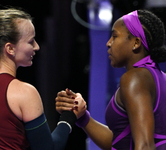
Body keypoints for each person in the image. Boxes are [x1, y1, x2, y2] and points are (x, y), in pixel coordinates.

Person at [0, 8, 87, 149]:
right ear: (10, 48)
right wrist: (69, 116)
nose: (37, 47)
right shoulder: (25, 92)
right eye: (31, 41)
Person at [56, 9, 166, 150]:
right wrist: (83, 118)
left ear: (136, 42)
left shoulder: (134, 79)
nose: (108, 43)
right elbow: (121, 143)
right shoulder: (158, 77)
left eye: (114, 36)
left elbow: (145, 146)